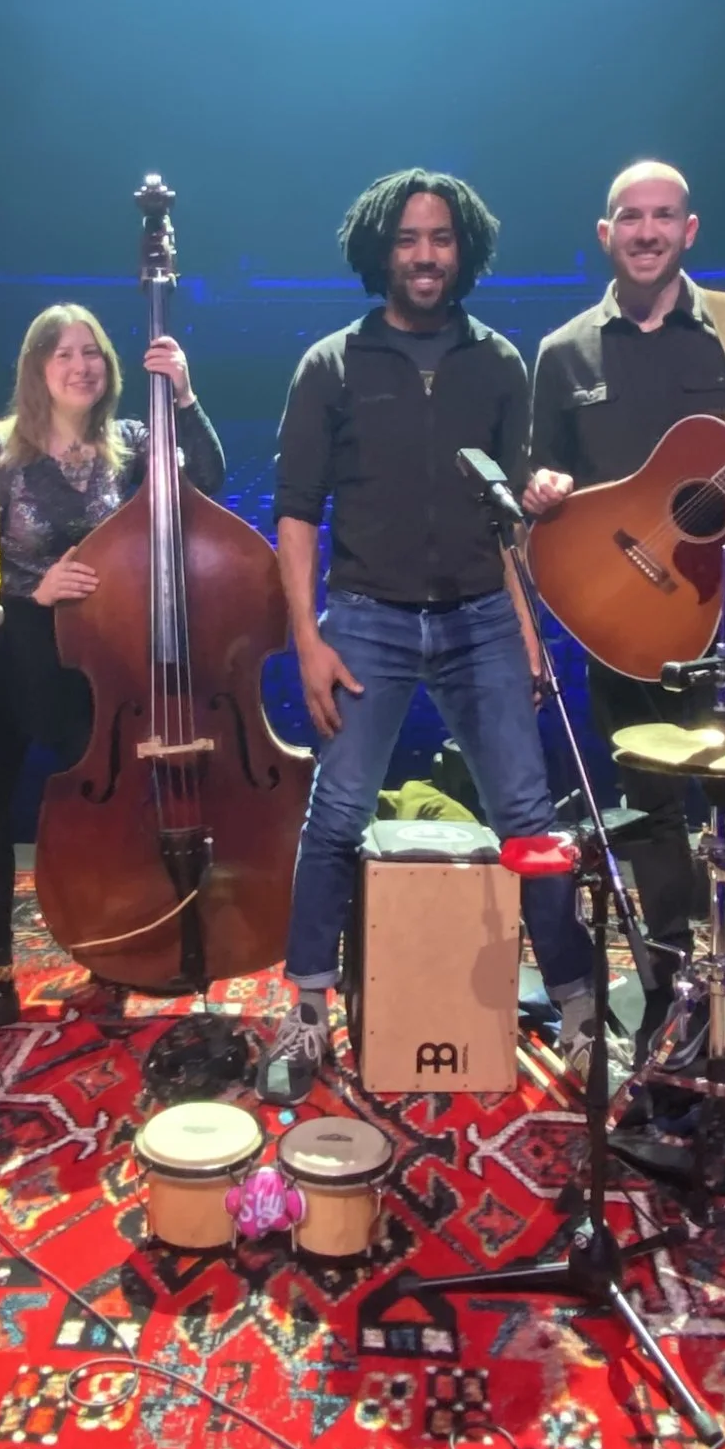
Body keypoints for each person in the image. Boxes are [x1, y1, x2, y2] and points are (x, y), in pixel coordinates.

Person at [525, 158, 725, 1159]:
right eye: (631, 216)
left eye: (665, 216)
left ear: (690, 230)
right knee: (650, 822)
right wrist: (541, 489)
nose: (648, 231)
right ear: (605, 231)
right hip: (624, 627)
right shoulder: (563, 352)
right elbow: (546, 486)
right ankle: (667, 1005)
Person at [259, 167, 595, 1098]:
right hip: (366, 619)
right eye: (408, 238)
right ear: (382, 249)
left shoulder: (500, 362)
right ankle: (307, 1008)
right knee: (336, 814)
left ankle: (576, 1009)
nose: (424, 253)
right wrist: (308, 640)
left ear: (464, 249)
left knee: (528, 818)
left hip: (482, 617)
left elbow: (510, 516)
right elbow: (295, 512)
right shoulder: (330, 364)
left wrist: (528, 630)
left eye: (441, 237)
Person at [0, 303, 226, 1025]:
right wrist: (32, 588)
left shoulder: (135, 442)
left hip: (95, 658)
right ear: (36, 368)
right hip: (3, 650)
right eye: (62, 353)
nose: (80, 365)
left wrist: (185, 396)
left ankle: (110, 949)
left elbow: (208, 483)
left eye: (91, 352)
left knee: (107, 809)